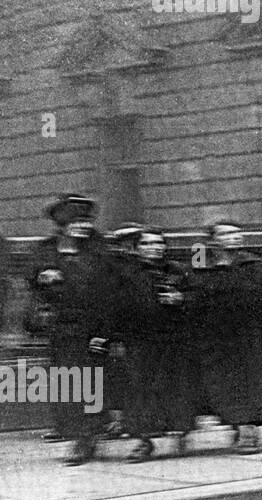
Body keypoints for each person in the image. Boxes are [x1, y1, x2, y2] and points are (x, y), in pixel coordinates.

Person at [27, 194, 115, 464]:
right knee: (66, 379)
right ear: (62, 224)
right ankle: (75, 430)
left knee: (93, 380)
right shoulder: (47, 248)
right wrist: (43, 276)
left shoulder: (98, 249)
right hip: (62, 327)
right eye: (74, 222)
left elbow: (110, 287)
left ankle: (86, 437)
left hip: (93, 325)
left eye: (85, 221)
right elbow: (33, 275)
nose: (81, 227)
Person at [194, 222, 262, 454]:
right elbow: (197, 291)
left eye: (237, 232)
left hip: (248, 336)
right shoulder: (203, 263)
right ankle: (238, 425)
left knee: (250, 383)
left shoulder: (252, 264)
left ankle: (249, 431)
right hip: (218, 338)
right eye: (227, 233)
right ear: (214, 240)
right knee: (225, 386)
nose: (235, 237)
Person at [115, 227, 194, 462]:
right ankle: (144, 440)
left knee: (175, 387)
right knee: (141, 389)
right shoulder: (127, 274)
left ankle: (180, 431)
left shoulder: (176, 271)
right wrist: (117, 337)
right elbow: (115, 307)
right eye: (148, 244)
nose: (154, 248)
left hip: (173, 340)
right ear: (138, 248)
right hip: (140, 341)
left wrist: (181, 299)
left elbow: (196, 298)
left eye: (158, 243)